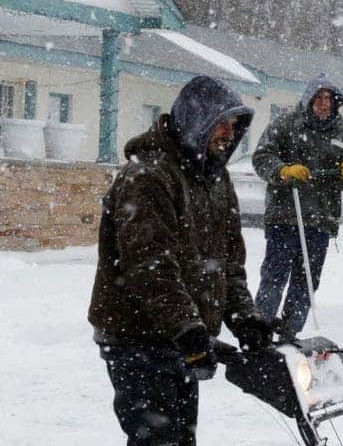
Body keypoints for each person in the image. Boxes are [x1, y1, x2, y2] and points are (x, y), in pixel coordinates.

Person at [88, 75, 275, 446]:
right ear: (196, 119)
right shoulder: (149, 177)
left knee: (180, 439)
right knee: (157, 440)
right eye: (221, 122)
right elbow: (150, 266)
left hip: (180, 337)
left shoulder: (215, 179)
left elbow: (228, 264)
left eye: (234, 125)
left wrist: (244, 318)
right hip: (136, 336)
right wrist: (188, 329)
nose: (228, 132)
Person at [252, 74, 343, 334]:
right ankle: (259, 333)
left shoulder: (342, 137)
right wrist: (282, 171)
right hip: (285, 215)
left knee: (306, 282)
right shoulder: (286, 126)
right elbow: (261, 157)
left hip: (321, 220)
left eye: (330, 99)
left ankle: (291, 332)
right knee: (274, 276)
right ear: (309, 99)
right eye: (320, 98)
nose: (325, 104)